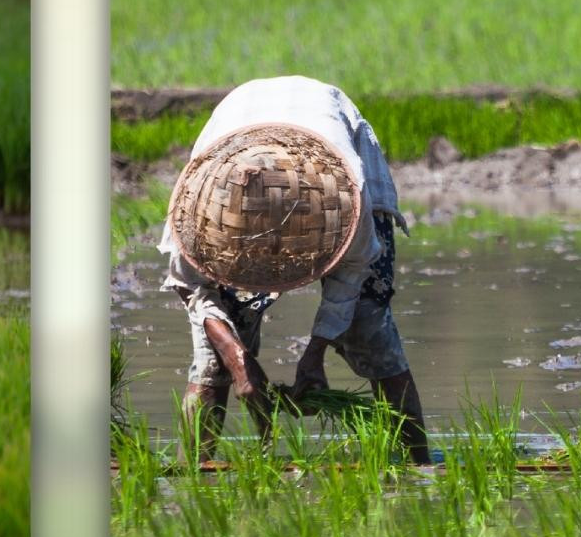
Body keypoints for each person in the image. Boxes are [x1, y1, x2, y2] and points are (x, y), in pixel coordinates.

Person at [159, 75, 429, 464]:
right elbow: (192, 288)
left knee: (370, 327)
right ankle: (191, 476)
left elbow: (352, 275)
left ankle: (420, 470)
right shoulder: (197, 213)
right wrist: (238, 360)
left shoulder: (347, 197)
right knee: (213, 360)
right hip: (235, 140)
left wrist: (314, 354)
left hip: (326, 152)